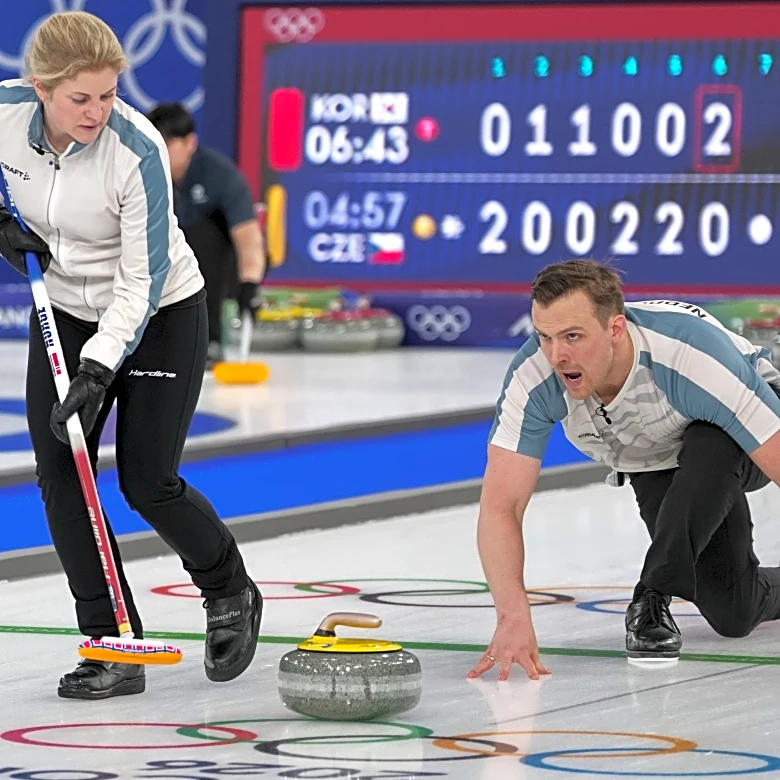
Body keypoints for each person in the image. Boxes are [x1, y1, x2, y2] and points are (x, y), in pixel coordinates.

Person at [0, 11, 262, 699]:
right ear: (39, 88)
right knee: (62, 474)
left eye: (108, 95)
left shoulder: (135, 148)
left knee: (145, 479)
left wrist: (96, 369)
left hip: (161, 310)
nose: (96, 111)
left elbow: (141, 283)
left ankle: (229, 588)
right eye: (78, 98)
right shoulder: (5, 111)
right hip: (62, 306)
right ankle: (113, 644)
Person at [469, 258, 780, 681]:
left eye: (573, 336)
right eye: (545, 337)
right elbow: (501, 506)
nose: (558, 355)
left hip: (740, 428)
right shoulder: (534, 376)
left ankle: (650, 594)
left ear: (615, 329)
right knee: (734, 612)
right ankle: (677, 590)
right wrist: (510, 617)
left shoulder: (691, 357)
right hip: (657, 452)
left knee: (709, 443)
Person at [145, 102, 266, 368]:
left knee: (202, 237)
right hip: (165, 258)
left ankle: (210, 340)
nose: (159, 150)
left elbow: (248, 239)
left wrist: (250, 286)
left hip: (218, 265)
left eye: (168, 142)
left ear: (190, 143)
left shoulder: (220, 175)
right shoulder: (141, 175)